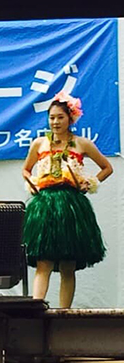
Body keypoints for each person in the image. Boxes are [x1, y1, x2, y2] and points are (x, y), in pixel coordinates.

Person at [22, 92, 112, 308]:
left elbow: (107, 168)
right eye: (52, 117)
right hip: (44, 205)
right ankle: (36, 308)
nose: (55, 122)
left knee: (68, 264)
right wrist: (32, 182)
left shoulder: (82, 144)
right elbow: (26, 169)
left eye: (60, 117)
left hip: (71, 205)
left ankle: (64, 313)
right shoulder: (39, 144)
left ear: (70, 118)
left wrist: (90, 183)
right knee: (43, 261)